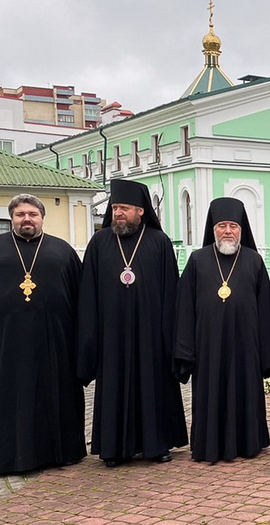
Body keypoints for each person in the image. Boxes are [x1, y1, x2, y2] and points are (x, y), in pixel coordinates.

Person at [0, 194, 85, 475]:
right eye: (21, 214)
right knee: (6, 400)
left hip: (54, 345)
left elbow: (81, 302)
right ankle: (5, 456)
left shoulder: (63, 251)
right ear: (12, 218)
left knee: (54, 396)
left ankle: (59, 453)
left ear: (42, 218)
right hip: (2, 346)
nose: (27, 219)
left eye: (32, 214)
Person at [77, 179, 187, 467]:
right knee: (114, 386)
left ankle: (156, 445)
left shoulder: (158, 242)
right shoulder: (99, 243)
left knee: (153, 386)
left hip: (151, 334)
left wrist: (169, 336)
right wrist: (91, 335)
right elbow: (88, 292)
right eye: (115, 208)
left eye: (124, 208)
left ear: (140, 210)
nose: (118, 214)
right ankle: (114, 449)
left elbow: (170, 292)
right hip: (111, 334)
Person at [174, 198, 270, 462]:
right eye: (222, 226)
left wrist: (265, 352)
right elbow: (184, 308)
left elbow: (266, 309)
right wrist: (186, 351)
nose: (228, 231)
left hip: (245, 346)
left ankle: (247, 443)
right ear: (213, 229)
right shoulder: (197, 261)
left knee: (245, 393)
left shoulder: (254, 261)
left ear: (241, 230)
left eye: (233, 226)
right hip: (208, 348)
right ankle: (210, 445)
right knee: (210, 393)